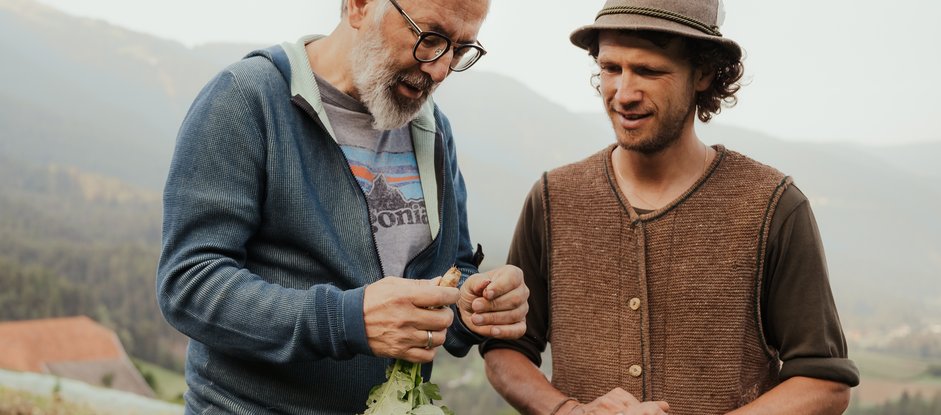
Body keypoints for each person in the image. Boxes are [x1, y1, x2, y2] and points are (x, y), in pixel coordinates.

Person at [481, 0, 860, 414]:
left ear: (703, 73)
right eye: (611, 69)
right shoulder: (553, 198)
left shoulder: (773, 207)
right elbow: (505, 349)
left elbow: (825, 382)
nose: (623, 93)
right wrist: (568, 411)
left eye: (648, 71)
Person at [156, 0, 529, 413]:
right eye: (430, 38)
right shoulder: (246, 99)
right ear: (359, 6)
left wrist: (473, 304)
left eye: (459, 50)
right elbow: (189, 285)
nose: (439, 70)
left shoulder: (433, 129)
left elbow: (451, 269)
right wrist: (348, 320)